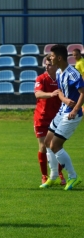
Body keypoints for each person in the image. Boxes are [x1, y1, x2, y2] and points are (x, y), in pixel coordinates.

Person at [40, 44, 84, 190]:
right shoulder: (59, 72)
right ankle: (53, 177)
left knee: (55, 145)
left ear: (59, 58)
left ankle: (73, 176)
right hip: (62, 111)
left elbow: (83, 92)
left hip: (72, 115)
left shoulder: (73, 73)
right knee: (47, 142)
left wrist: (75, 109)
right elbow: (59, 91)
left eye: (51, 56)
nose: (50, 58)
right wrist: (65, 100)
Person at [34, 54, 65, 185]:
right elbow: (37, 94)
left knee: (56, 146)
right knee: (42, 146)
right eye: (46, 64)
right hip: (41, 118)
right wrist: (50, 94)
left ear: (56, 65)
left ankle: (59, 173)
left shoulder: (61, 78)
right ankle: (44, 175)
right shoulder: (41, 78)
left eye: (50, 64)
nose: (47, 66)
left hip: (57, 117)